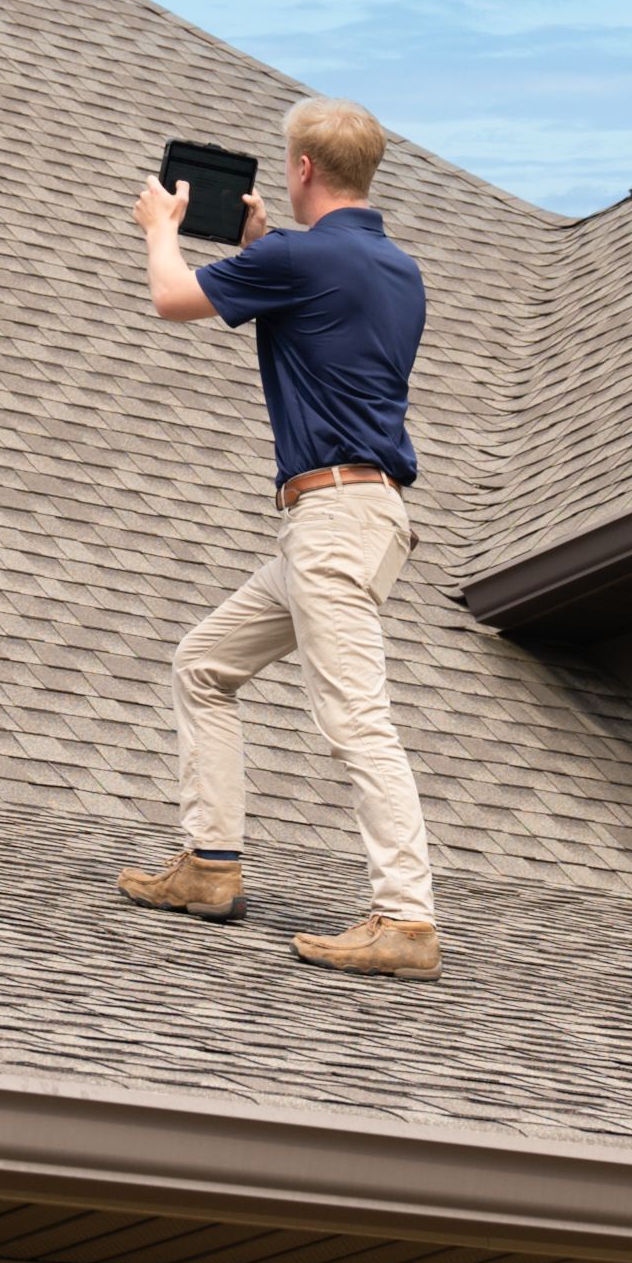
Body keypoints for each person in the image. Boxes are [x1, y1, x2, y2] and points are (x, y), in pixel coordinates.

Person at [121, 95, 442, 981]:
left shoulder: (305, 258)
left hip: (333, 519)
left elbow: (169, 298)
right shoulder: (395, 269)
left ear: (300, 168)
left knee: (356, 720)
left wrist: (162, 226)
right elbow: (325, 333)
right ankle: (210, 868)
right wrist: (265, 247)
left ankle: (407, 918)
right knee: (205, 664)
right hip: (359, 518)